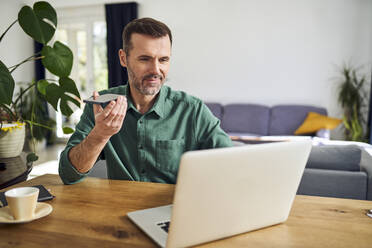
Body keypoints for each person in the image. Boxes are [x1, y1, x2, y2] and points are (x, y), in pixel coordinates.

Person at [59, 18, 232, 185]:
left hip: (173, 210)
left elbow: (232, 164)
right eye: (145, 59)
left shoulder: (192, 110)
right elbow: (68, 175)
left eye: (163, 60)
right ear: (123, 58)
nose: (156, 70)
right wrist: (99, 136)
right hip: (119, 209)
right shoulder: (101, 107)